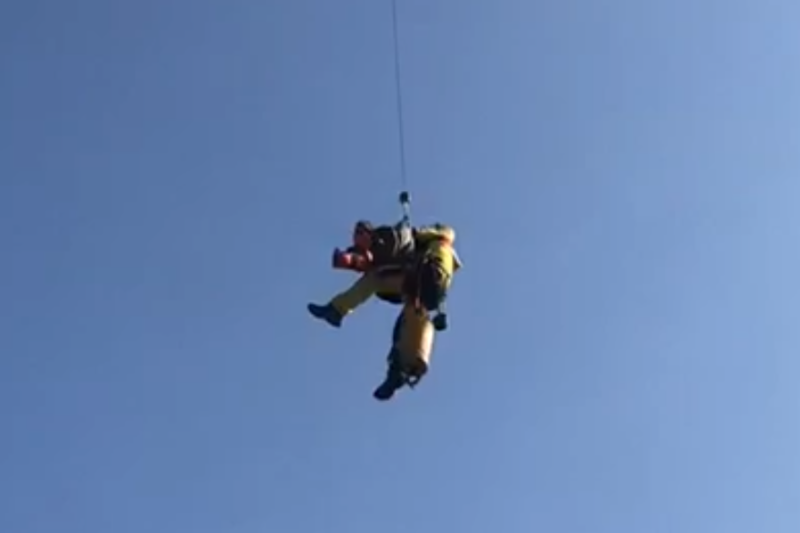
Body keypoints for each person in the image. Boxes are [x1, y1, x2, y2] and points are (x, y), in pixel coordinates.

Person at [372, 223, 461, 401]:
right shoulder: (446, 253)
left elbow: (419, 234)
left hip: (428, 277)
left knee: (410, 319)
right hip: (432, 286)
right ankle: (398, 370)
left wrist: (408, 232)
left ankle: (398, 370)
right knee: (406, 323)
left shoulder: (441, 241)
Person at [306, 218, 417, 327]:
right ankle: (335, 311)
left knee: (373, 278)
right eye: (355, 234)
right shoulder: (364, 251)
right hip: (394, 287)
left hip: (410, 278)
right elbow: (359, 259)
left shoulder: (386, 238)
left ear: (369, 233)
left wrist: (364, 261)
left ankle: (336, 311)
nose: (356, 238)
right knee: (371, 280)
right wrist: (349, 260)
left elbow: (389, 253)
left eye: (359, 233)